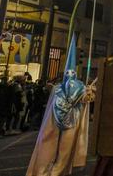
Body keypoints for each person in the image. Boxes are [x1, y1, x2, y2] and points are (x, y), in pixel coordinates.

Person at [27, 35, 96, 176]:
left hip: (58, 124)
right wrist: (90, 90)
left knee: (51, 146)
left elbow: (87, 98)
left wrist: (89, 92)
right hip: (70, 122)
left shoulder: (57, 88)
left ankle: (46, 171)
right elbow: (88, 98)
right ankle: (55, 172)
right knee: (63, 150)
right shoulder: (77, 88)